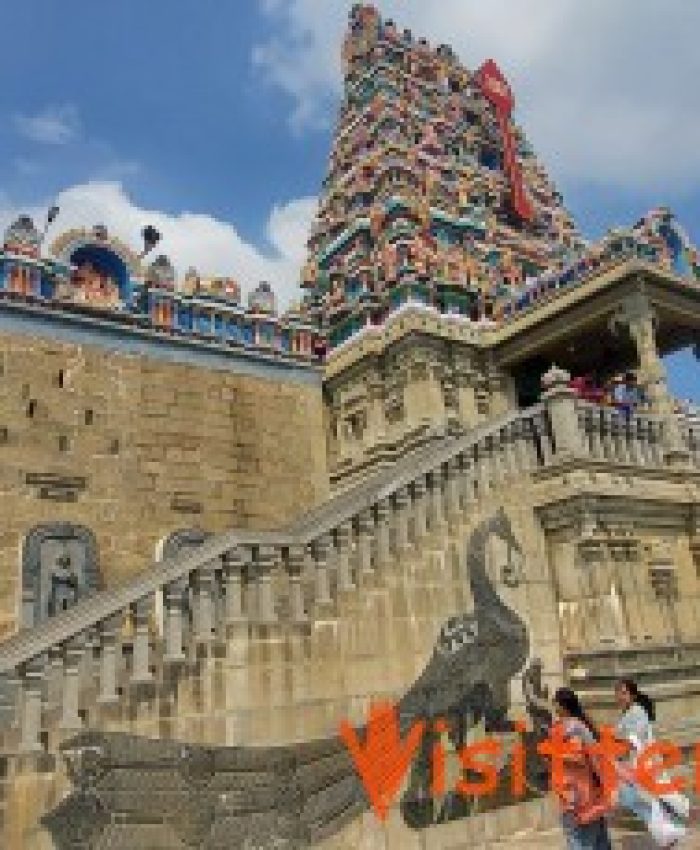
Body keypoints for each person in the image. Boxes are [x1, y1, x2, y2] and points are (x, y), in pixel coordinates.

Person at [614, 678, 688, 847]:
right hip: (637, 764)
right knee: (644, 800)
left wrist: (617, 743)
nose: (619, 696)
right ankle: (667, 834)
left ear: (632, 695)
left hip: (646, 764)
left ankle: (668, 834)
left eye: (623, 692)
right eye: (617, 692)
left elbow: (635, 738)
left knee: (651, 800)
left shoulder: (638, 711)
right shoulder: (627, 713)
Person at [552, 687, 613, 850]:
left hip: (576, 797)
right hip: (585, 794)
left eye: (555, 702)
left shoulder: (571, 728)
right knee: (599, 840)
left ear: (562, 706)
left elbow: (584, 757)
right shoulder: (574, 726)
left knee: (579, 840)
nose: (553, 706)